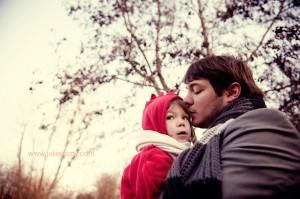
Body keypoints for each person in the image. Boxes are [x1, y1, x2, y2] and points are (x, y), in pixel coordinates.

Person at [162, 55, 300, 199]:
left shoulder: (262, 124)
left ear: (231, 92)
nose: (186, 100)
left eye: (197, 90)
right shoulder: (215, 139)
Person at [121, 91, 196, 199]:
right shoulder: (154, 157)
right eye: (170, 117)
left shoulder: (175, 153)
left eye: (185, 117)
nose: (181, 122)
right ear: (155, 124)